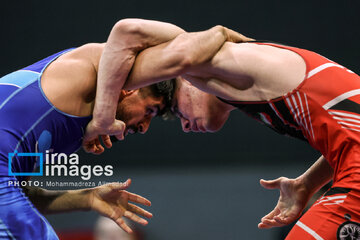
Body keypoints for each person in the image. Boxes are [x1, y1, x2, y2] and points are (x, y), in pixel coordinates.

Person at [90, 19, 360, 239]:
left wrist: (102, 117)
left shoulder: (213, 62)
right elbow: (348, 137)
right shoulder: (251, 89)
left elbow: (125, 31)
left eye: (174, 110)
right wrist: (307, 184)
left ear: (187, 79)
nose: (184, 126)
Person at [0, 19, 188, 239]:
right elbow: (128, 31)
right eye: (150, 111)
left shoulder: (78, 130)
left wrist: (87, 198)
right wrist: (206, 51)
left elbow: (17, 192)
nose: (144, 127)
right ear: (132, 90)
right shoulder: (90, 66)